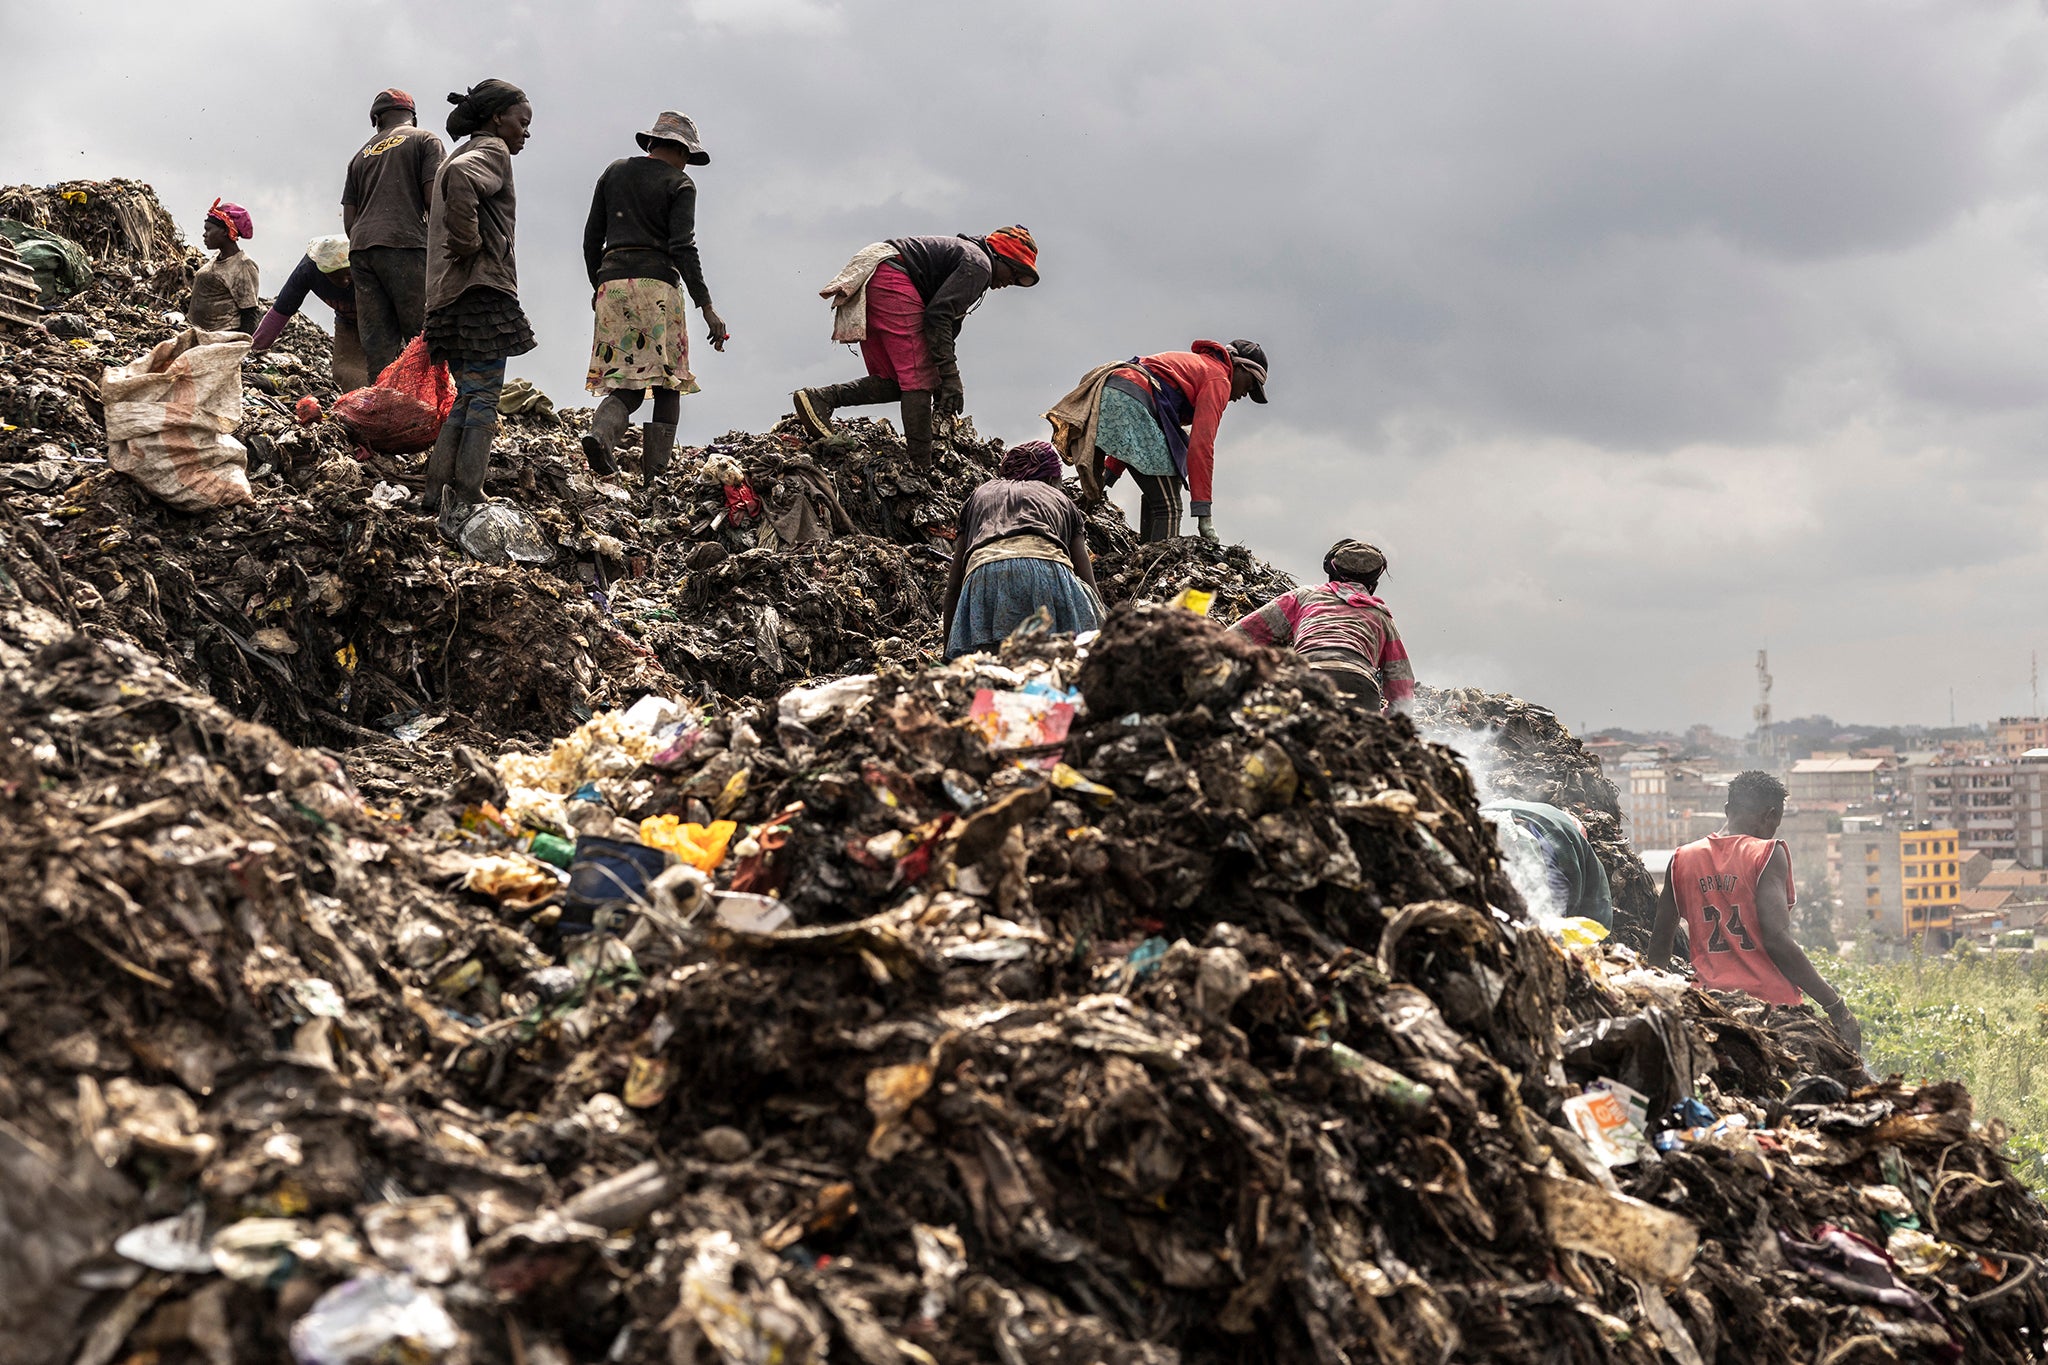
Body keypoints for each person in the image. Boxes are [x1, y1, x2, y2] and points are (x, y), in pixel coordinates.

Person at [1649, 771, 1864, 1050]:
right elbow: (1777, 941)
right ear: (1771, 815)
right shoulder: (1766, 854)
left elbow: (1659, 943)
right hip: (1770, 1011)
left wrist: (1655, 1002)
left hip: (1709, 1008)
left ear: (1727, 810)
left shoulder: (1681, 859)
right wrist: (1836, 1007)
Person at [792, 226, 1039, 466]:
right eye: (1015, 272)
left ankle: (821, 398)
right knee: (919, 381)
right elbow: (938, 317)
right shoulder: (979, 265)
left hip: (882, 272)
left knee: (897, 382)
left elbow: (946, 328)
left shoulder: (973, 261)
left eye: (1021, 280)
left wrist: (943, 377)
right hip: (892, 277)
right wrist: (950, 377)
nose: (1013, 281)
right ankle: (920, 464)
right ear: (1000, 257)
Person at [580, 110, 729, 482]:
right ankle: (656, 477)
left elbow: (590, 239)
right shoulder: (680, 184)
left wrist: (598, 286)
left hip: (611, 285)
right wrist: (707, 306)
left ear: (651, 143)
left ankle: (601, 433)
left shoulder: (614, 171)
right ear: (681, 151)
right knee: (667, 384)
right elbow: (683, 248)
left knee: (624, 380)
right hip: (656, 289)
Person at [421, 80, 535, 539]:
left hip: (448, 297)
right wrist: (468, 244)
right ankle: (468, 493)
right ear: (496, 119)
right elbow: (465, 179)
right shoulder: (491, 151)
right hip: (480, 292)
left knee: (468, 395)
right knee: (484, 395)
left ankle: (436, 493)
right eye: (522, 122)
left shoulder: (459, 151)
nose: (526, 133)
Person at [1046, 339, 1267, 543]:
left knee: (1162, 479)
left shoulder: (1200, 367)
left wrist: (1108, 476)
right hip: (1131, 397)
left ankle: (1066, 527)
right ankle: (1155, 568)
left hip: (1113, 391)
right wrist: (1204, 515)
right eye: (1249, 386)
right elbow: (1202, 446)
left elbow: (1136, 437)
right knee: (1169, 506)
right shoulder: (1218, 378)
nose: (1244, 394)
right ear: (1239, 368)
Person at [942, 440, 1101, 659]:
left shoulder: (981, 493)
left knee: (990, 670)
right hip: (1047, 572)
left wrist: (947, 653)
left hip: (985, 576)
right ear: (1051, 478)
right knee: (1055, 663)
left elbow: (953, 586)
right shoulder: (1062, 500)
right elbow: (1087, 580)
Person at [1231, 540, 1414, 711]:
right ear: (1372, 584)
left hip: (1306, 675)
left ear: (1330, 571)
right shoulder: (1382, 617)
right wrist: (1386, 721)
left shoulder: (1303, 597)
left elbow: (1242, 635)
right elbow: (1402, 687)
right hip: (1360, 686)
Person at [343, 88, 446, 380]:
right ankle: (431, 410)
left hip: (362, 249)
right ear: (412, 116)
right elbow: (434, 200)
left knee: (379, 345)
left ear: (376, 119)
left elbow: (349, 219)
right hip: (406, 242)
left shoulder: (359, 156)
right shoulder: (425, 140)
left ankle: (383, 410)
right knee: (423, 334)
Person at [250, 236, 366, 390]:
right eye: (337, 276)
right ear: (323, 271)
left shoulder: (367, 267)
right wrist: (252, 351)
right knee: (345, 374)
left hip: (382, 321)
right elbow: (281, 311)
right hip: (347, 323)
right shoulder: (307, 270)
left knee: (382, 370)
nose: (345, 282)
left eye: (348, 275)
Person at [1480, 799, 1614, 928]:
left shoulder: (1528, 808)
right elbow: (1600, 905)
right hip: (1523, 840)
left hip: (1481, 825)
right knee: (1543, 916)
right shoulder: (1569, 842)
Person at [188, 200, 259, 334]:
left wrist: (242, 346)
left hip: (222, 337)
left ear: (225, 231)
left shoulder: (243, 265)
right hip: (200, 335)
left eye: (208, 229)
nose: (204, 234)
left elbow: (250, 312)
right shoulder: (217, 258)